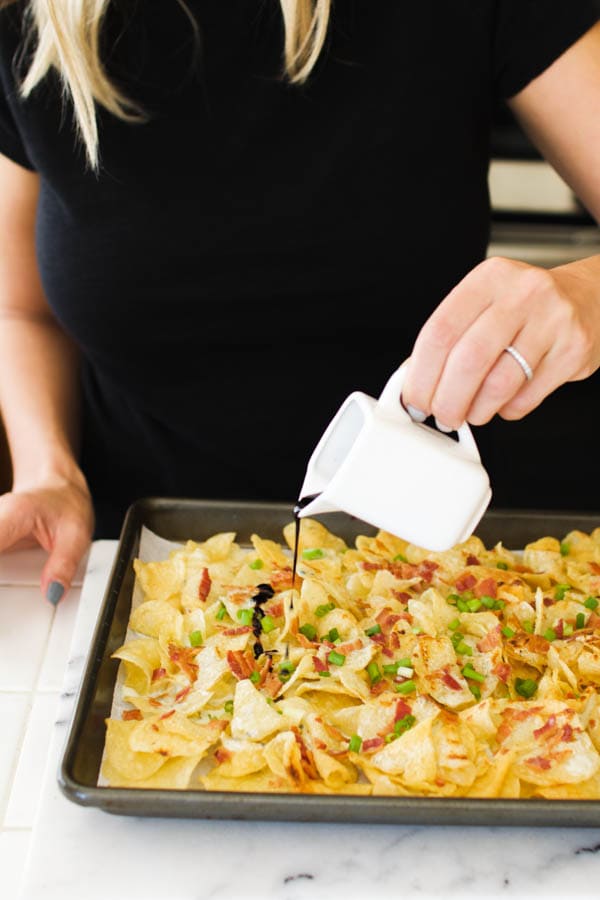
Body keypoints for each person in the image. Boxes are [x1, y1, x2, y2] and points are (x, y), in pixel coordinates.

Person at [1, 0, 600, 606]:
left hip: (457, 552)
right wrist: (49, 471)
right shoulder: (25, 23)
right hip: (139, 562)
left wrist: (587, 295)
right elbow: (21, 310)